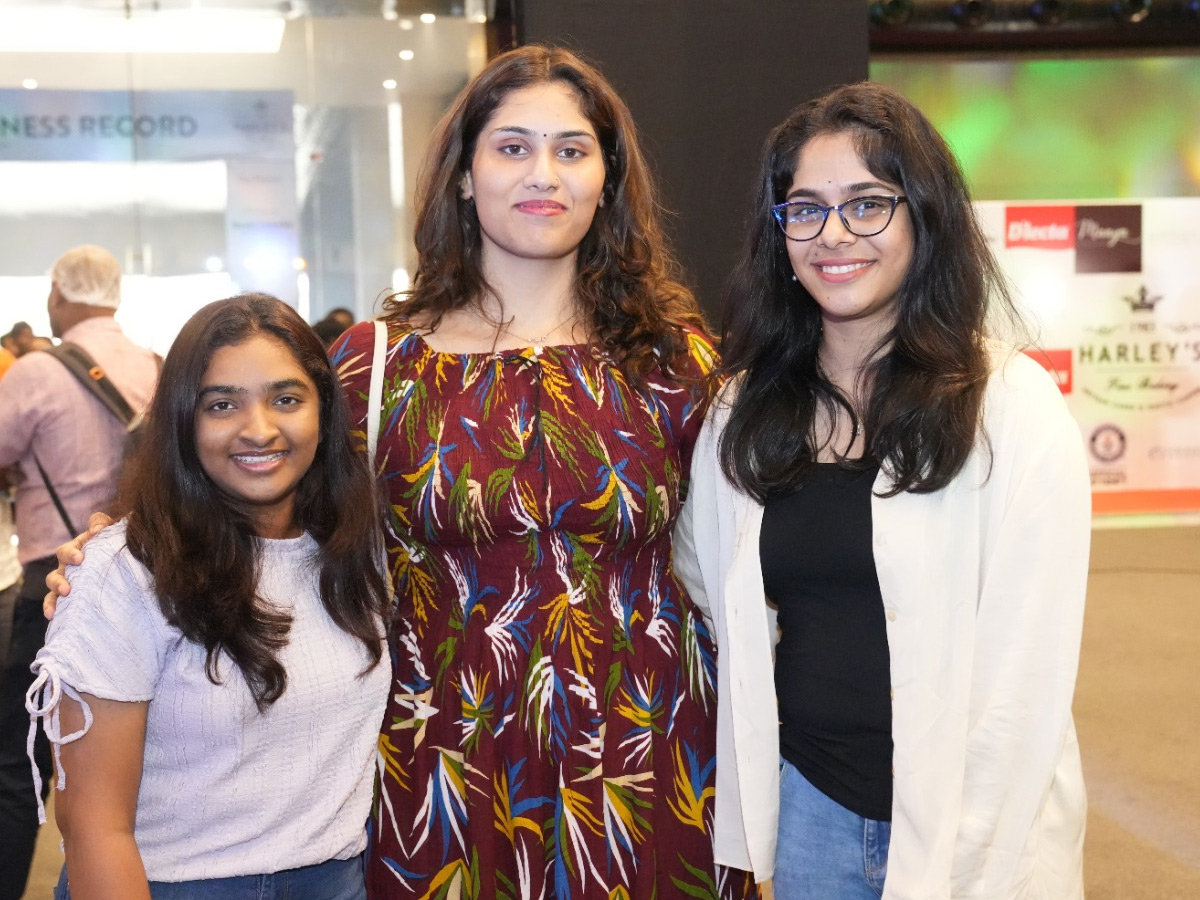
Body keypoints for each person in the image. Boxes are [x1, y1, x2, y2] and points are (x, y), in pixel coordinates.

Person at [328, 44, 753, 899]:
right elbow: (271, 538)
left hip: (652, 753)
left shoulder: (680, 364)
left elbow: (749, 563)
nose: (543, 174)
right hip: (441, 758)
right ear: (463, 174)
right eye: (512, 146)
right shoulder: (374, 369)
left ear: (606, 179)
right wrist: (110, 562)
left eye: (571, 149)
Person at [673, 83, 1091, 899]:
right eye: (806, 209)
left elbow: (1024, 676)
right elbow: (705, 567)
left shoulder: (1012, 405)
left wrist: (966, 859)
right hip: (811, 810)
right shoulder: (743, 407)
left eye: (867, 204)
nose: (834, 235)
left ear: (923, 218)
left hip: (979, 823)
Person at [26, 294, 391, 899]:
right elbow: (93, 827)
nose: (260, 429)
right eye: (222, 404)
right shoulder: (126, 573)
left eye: (286, 399)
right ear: (181, 421)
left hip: (337, 878)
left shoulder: (358, 550)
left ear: (324, 411)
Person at [0, 245, 160, 899]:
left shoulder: (36, 371)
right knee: (130, 763)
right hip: (145, 574)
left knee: (19, 759)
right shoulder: (155, 365)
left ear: (60, 295)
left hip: (55, 577)